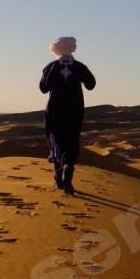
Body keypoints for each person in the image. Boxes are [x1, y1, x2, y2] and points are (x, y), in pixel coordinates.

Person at [39, 36, 96, 195]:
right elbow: (91, 84)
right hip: (74, 109)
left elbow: (43, 88)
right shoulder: (80, 67)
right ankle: (68, 167)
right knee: (72, 139)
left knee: (55, 138)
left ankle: (58, 176)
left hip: (55, 109)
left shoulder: (51, 67)